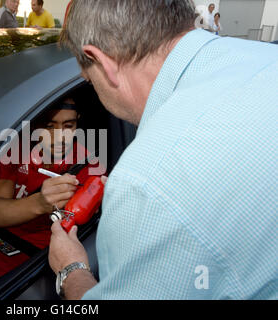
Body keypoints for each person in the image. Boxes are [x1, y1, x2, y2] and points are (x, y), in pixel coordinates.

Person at [49, 0, 278, 300]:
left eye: (89, 80)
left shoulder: (147, 185)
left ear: (101, 61)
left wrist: (72, 270)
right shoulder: (266, 56)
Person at [0, 98, 105, 299]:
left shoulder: (89, 165)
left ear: (78, 123)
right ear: (35, 125)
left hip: (37, 260)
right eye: (48, 126)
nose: (59, 136)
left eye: (68, 126)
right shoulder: (16, 152)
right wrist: (40, 203)